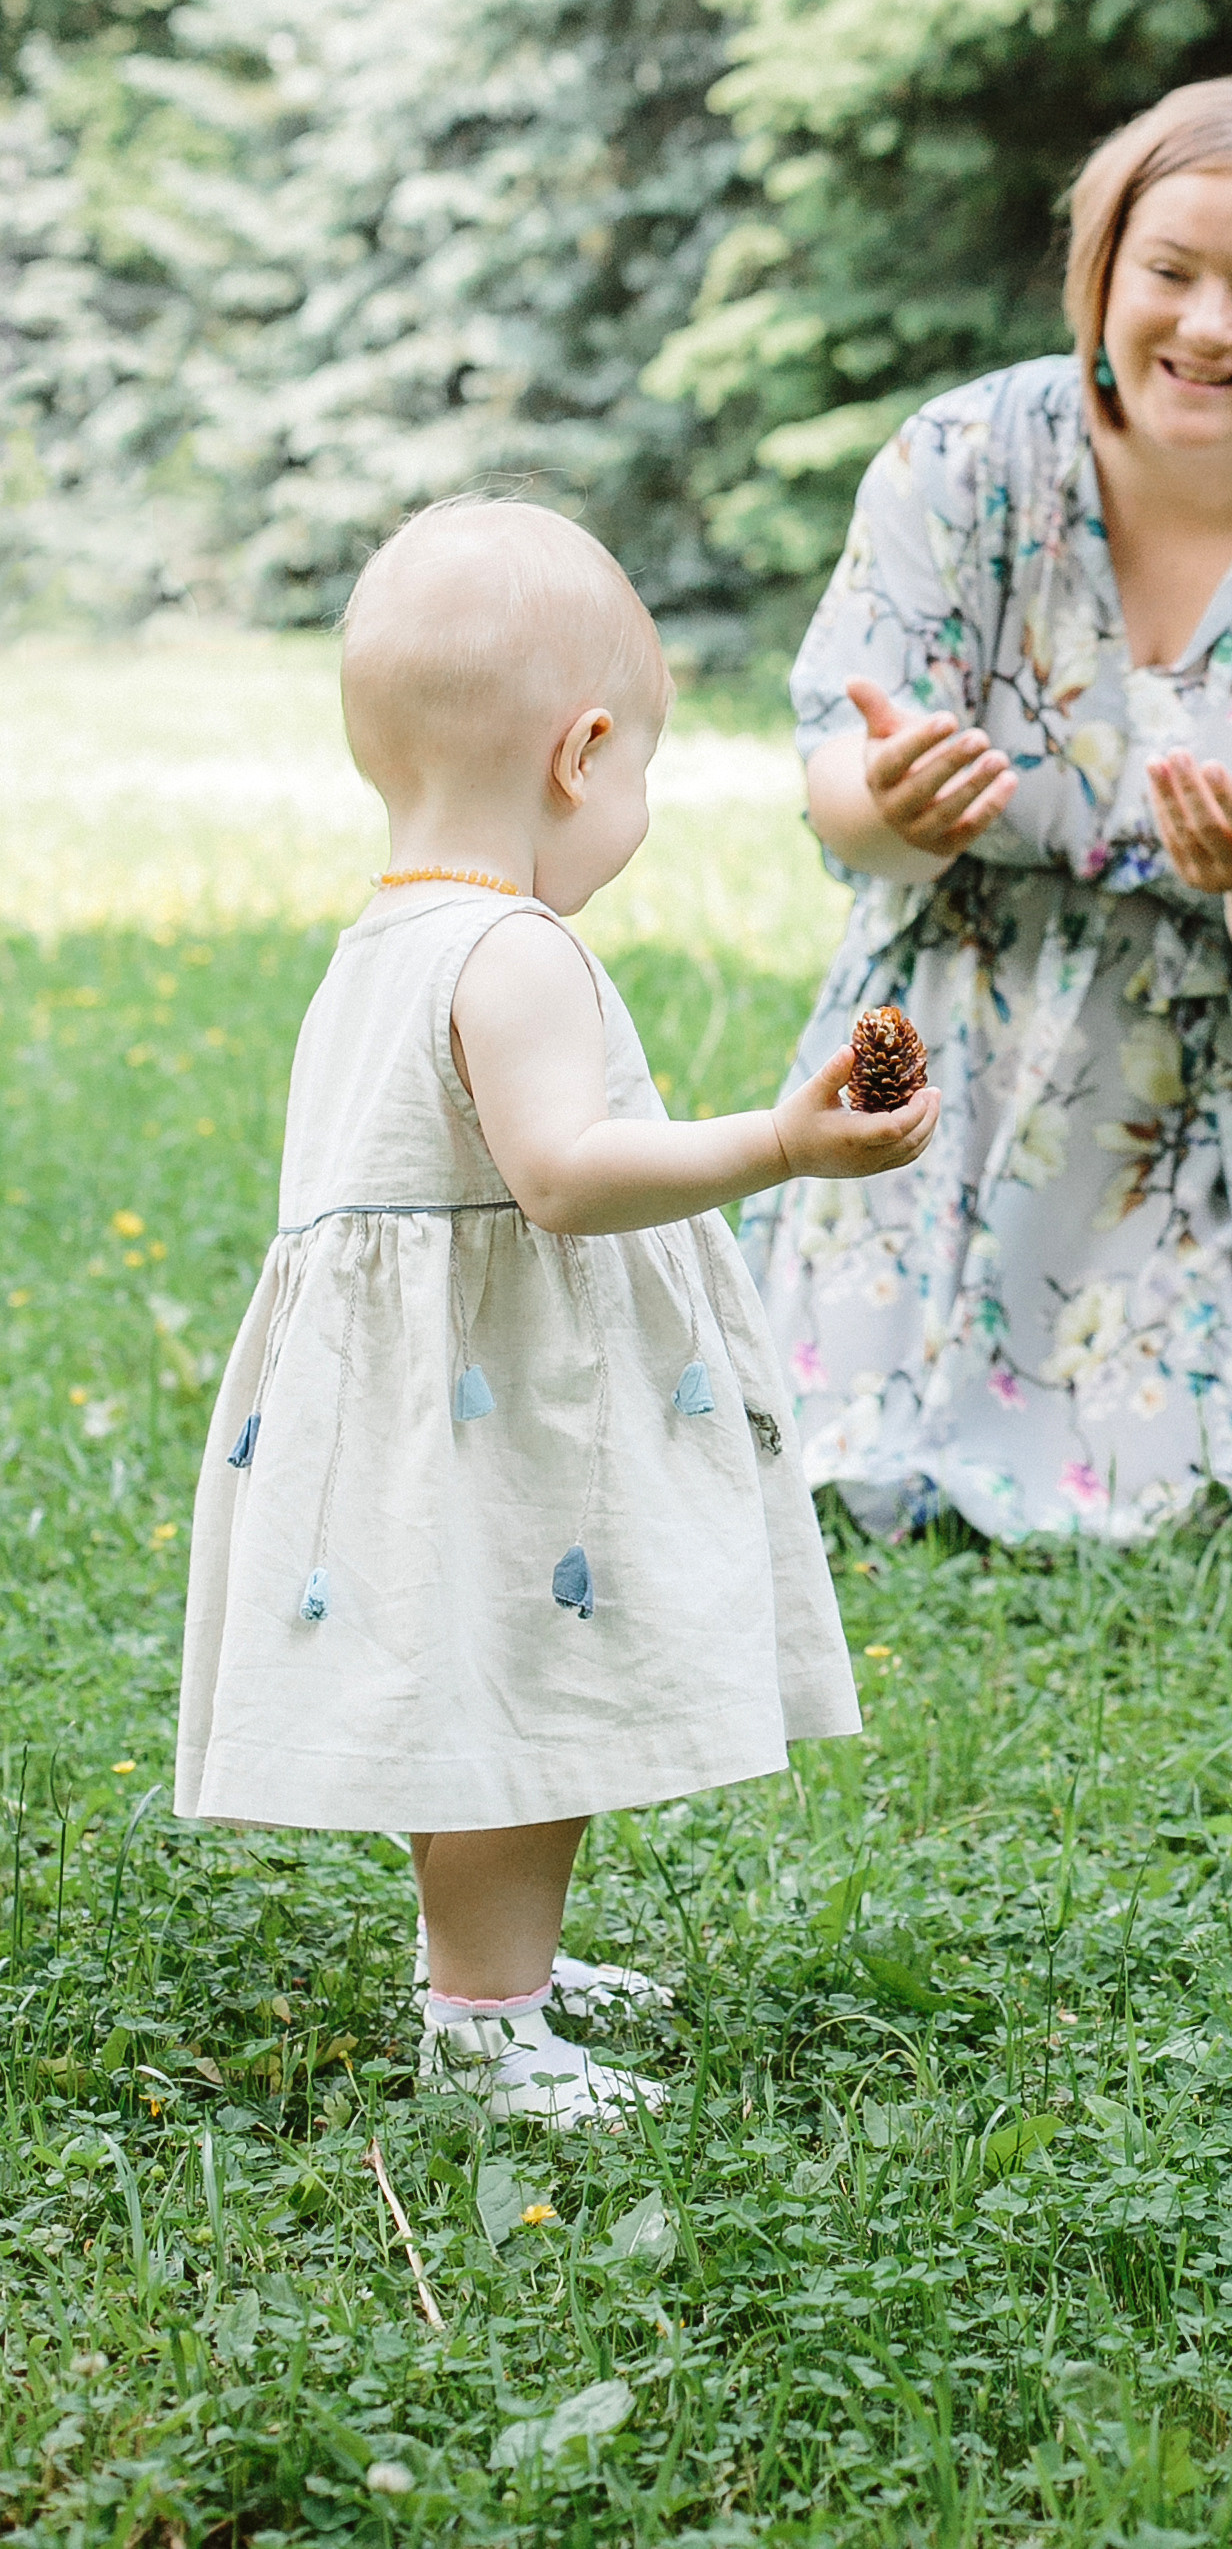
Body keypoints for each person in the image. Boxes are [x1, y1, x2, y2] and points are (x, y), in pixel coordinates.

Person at [173, 500, 936, 2124]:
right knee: (518, 1702)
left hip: (422, 1419)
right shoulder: (513, 949)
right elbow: (566, 1175)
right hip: (506, 1419)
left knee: (491, 1696)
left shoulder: (374, 941)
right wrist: (786, 1141)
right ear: (582, 753)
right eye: (644, 770)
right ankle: (485, 2024)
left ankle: (493, 1965)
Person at [743, 74, 1232, 1546]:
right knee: (831, 1451)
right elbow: (843, 800)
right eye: (1170, 273)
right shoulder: (964, 463)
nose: (1209, 326)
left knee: (1176, 1484)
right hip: (953, 1038)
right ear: (1104, 273)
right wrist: (898, 802)